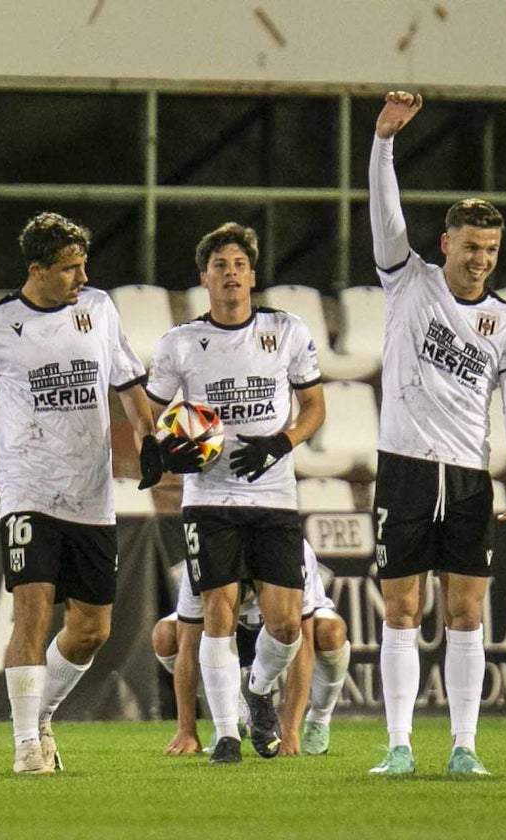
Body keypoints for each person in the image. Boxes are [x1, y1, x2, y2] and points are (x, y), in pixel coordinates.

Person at [367, 91, 506, 778]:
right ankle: (400, 746)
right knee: (402, 608)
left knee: (466, 613)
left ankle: (465, 747)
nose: (481, 260)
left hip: (468, 474)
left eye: (491, 249)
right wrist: (383, 143)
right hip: (405, 466)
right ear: (446, 245)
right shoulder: (408, 282)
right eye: (471, 247)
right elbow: (386, 215)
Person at [0, 211, 161, 775]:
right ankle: (26, 745)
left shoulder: (97, 309)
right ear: (37, 269)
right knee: (30, 614)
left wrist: (148, 441)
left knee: (93, 629)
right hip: (28, 487)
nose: (81, 275)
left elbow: (127, 380)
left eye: (83, 264)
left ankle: (39, 714)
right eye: (70, 267)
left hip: (91, 492)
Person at [146, 222, 326, 765]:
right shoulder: (180, 343)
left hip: (273, 495)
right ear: (204, 277)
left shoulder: (287, 330)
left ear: (252, 275)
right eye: (220, 266)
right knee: (218, 615)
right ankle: (226, 733)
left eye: (239, 265)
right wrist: (165, 452)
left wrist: (281, 442)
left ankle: (256, 688)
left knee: (287, 623)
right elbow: (155, 417)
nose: (231, 274)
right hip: (209, 498)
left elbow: (315, 407)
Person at [152, 540, 351, 757]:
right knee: (165, 636)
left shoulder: (292, 550)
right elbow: (187, 648)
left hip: (280, 619)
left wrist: (290, 729)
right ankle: (233, 712)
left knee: (331, 631)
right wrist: (186, 730)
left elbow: (304, 646)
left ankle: (319, 720)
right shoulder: (204, 556)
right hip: (224, 625)